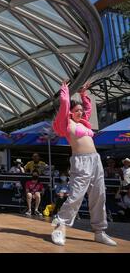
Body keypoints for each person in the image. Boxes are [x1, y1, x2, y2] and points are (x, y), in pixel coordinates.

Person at [51, 80, 117, 246]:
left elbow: (88, 108)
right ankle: (59, 226)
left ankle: (100, 231)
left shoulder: (83, 123)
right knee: (76, 196)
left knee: (99, 195)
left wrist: (83, 94)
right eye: (77, 110)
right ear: (71, 113)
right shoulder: (67, 124)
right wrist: (65, 90)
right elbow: (65, 103)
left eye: (81, 110)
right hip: (81, 162)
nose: (80, 112)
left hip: (95, 160)